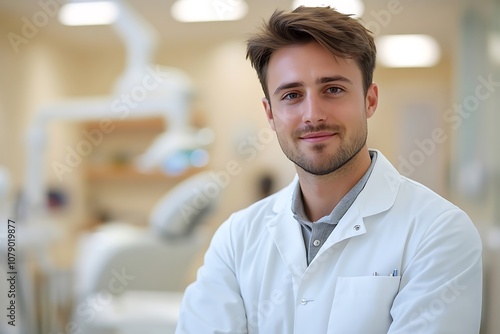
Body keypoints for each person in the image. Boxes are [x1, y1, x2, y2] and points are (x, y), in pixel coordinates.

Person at [176, 6, 483, 334]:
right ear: (270, 113)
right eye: (292, 95)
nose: (312, 114)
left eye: (333, 89)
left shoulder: (438, 232)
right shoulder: (237, 239)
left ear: (369, 100)